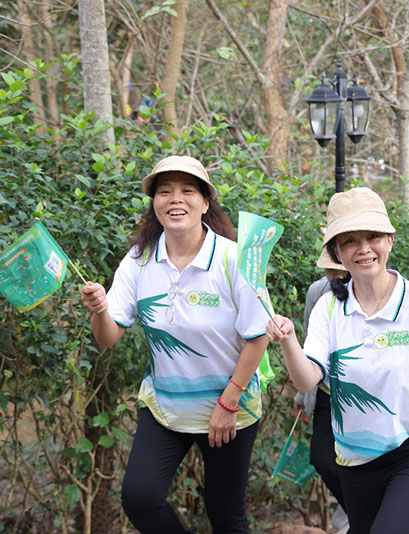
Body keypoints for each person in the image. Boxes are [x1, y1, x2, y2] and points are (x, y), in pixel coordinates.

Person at [265, 187, 409, 534]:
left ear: (390, 241)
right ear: (337, 252)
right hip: (355, 460)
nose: (364, 248)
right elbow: (307, 380)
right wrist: (289, 340)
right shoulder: (328, 309)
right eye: (350, 241)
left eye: (373, 237)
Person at [79, 155, 270, 533]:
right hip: (164, 407)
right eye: (164, 191)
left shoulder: (234, 258)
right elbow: (108, 337)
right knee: (140, 498)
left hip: (229, 407)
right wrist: (100, 310)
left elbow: (258, 335)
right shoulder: (139, 260)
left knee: (225, 515)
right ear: (154, 203)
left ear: (205, 202)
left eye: (187, 191)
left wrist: (228, 403)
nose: (175, 199)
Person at [297, 247, 349, 529]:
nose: (336, 277)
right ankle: (352, 504)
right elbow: (310, 344)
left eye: (342, 272)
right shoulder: (317, 292)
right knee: (321, 457)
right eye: (330, 271)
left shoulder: (371, 292)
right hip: (326, 389)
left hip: (360, 393)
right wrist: (302, 392)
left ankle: (361, 506)